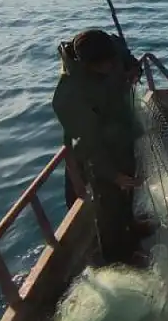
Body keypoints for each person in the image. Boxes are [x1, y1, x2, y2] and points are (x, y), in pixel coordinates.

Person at [52, 29, 145, 266]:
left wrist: (133, 68)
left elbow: (123, 52)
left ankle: (132, 226)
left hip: (121, 133)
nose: (110, 67)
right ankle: (116, 258)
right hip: (97, 151)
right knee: (109, 205)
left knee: (129, 187)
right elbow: (88, 143)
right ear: (87, 65)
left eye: (112, 62)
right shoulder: (69, 94)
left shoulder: (110, 49)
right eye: (104, 66)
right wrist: (113, 175)